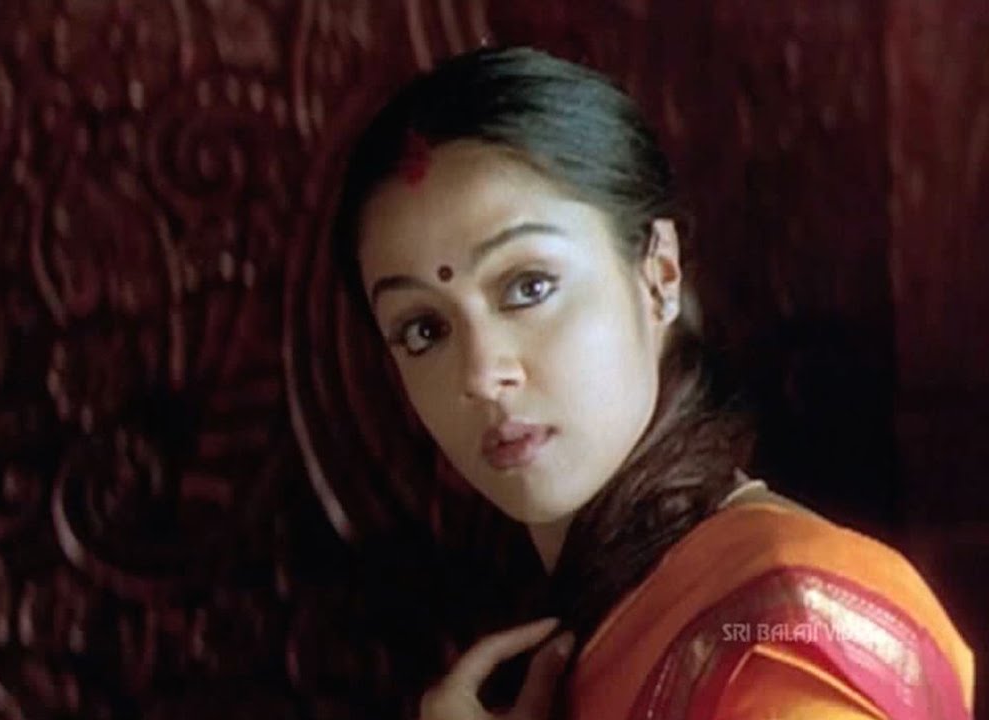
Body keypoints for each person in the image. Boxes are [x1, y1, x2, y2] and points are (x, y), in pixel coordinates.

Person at [329, 46, 974, 719]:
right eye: (424, 329)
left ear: (659, 274)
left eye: (529, 287)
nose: (482, 373)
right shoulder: (583, 618)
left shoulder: (776, 634)